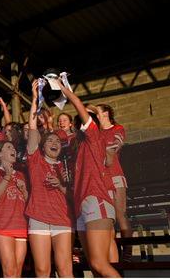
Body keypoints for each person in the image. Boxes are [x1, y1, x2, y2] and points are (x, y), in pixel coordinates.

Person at [57, 79, 120, 277]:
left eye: (81, 122)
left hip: (96, 199)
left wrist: (65, 90)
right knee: (94, 267)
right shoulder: (79, 148)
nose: (78, 126)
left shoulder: (95, 137)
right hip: (81, 204)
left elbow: (80, 108)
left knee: (100, 264)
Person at [25, 80, 73, 277]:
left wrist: (62, 186)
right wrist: (35, 99)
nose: (54, 142)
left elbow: (73, 196)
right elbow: (33, 127)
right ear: (43, 146)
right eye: (50, 140)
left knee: (64, 269)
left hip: (62, 219)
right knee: (42, 270)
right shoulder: (35, 160)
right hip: (38, 219)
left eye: (57, 141)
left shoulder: (66, 166)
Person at [0, 141, 28, 277]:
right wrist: (7, 177)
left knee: (17, 271)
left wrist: (24, 190)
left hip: (20, 225)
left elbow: (26, 200)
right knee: (10, 271)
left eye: (13, 147)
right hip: (2, 226)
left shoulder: (21, 174)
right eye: (8, 147)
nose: (13, 149)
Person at [97, 103, 132, 261]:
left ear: (106, 114)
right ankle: (112, 253)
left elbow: (117, 145)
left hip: (115, 176)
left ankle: (128, 252)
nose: (97, 115)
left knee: (120, 215)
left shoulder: (117, 128)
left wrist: (109, 151)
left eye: (99, 112)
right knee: (108, 220)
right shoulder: (95, 132)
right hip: (101, 179)